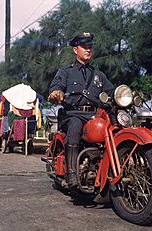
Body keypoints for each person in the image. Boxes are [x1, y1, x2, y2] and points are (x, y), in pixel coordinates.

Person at [48, 32, 114, 188]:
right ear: (75, 49)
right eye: (84, 47)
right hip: (72, 114)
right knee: (76, 124)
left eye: (90, 46)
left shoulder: (98, 74)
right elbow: (54, 89)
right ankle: (72, 174)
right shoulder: (66, 71)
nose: (88, 50)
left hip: (93, 115)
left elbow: (111, 92)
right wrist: (56, 93)